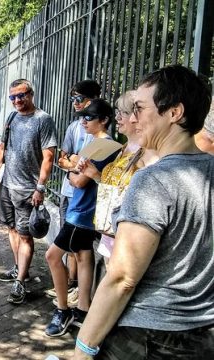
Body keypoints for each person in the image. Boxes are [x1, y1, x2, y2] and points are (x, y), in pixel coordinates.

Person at [73, 65, 214, 359]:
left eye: (140, 108)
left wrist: (83, 348)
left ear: (174, 113)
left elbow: (122, 278)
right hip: (202, 335)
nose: (133, 119)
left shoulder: (153, 180)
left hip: (146, 337)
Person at [45, 99, 118, 337]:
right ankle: (83, 310)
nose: (83, 121)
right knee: (83, 256)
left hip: (81, 213)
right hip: (86, 212)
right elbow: (70, 163)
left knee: (52, 256)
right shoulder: (99, 144)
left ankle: (62, 309)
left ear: (104, 119)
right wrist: (74, 166)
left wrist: (72, 168)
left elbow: (78, 180)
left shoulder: (103, 147)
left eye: (89, 117)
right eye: (82, 116)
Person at [0, 78, 57, 304]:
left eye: (21, 95)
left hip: (28, 190)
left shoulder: (43, 120)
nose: (17, 100)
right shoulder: (12, 117)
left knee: (26, 236)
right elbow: (3, 148)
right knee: (12, 228)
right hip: (8, 185)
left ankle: (20, 282)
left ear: (31, 94)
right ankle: (20, 268)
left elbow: (49, 156)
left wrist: (40, 187)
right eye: (13, 97)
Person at [78, 91, 157, 263]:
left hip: (126, 233)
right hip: (110, 228)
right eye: (118, 112)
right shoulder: (123, 148)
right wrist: (95, 175)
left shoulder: (147, 153)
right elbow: (116, 188)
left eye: (124, 113)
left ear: (138, 117)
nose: (118, 117)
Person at [46, 80, 101, 308]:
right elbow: (63, 157)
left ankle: (76, 295)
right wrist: (73, 165)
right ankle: (71, 285)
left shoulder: (100, 133)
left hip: (86, 198)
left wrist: (74, 167)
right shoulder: (74, 127)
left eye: (79, 99)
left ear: (93, 99)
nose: (75, 104)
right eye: (73, 99)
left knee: (77, 249)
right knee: (74, 247)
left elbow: (85, 171)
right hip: (69, 192)